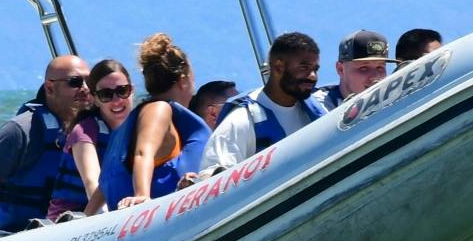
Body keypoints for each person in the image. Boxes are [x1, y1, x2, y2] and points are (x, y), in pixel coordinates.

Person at [0, 54, 92, 236]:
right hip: (20, 236)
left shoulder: (95, 129)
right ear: (50, 87)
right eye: (75, 82)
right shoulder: (21, 130)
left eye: (90, 81)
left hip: (76, 231)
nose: (85, 89)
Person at [98, 33, 209, 208]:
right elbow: (143, 153)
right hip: (161, 211)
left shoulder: (137, 119)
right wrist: (142, 195)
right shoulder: (158, 110)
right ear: (183, 81)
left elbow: (104, 185)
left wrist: (88, 213)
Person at [197, 32, 322, 175]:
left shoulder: (320, 110)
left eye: (315, 69)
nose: (313, 76)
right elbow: (213, 178)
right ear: (279, 67)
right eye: (304, 68)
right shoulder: (240, 121)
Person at [47, 58, 126, 219]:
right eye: (106, 95)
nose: (116, 100)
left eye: (123, 91)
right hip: (71, 221)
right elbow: (93, 182)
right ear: (96, 98)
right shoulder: (84, 130)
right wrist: (111, 219)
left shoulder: (137, 127)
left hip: (117, 208)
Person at [312, 29, 393, 110]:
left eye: (380, 68)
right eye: (364, 68)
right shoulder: (317, 105)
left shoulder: (392, 102)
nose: (375, 77)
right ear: (340, 69)